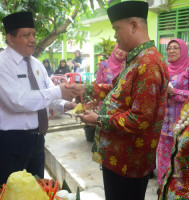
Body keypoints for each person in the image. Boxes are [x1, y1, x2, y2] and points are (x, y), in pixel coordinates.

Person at [66, 1, 168, 200]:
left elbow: (140, 119)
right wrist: (86, 88)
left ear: (133, 26)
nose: (114, 35)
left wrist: (98, 119)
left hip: (128, 164)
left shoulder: (148, 63)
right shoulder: (138, 59)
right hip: (119, 160)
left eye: (116, 29)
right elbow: (116, 91)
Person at [0, 11, 79, 185]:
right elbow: (18, 101)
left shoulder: (35, 64)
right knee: (11, 192)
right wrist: (58, 92)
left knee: (38, 190)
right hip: (11, 143)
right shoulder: (2, 64)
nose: (33, 39)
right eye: (26, 35)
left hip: (37, 141)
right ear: (10, 39)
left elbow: (48, 92)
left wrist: (64, 104)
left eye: (34, 34)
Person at [159, 21, 189, 200]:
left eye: (176, 48)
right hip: (165, 127)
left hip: (182, 126)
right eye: (169, 48)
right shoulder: (163, 69)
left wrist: (173, 91)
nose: (172, 51)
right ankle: (162, 188)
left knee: (178, 162)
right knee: (164, 163)